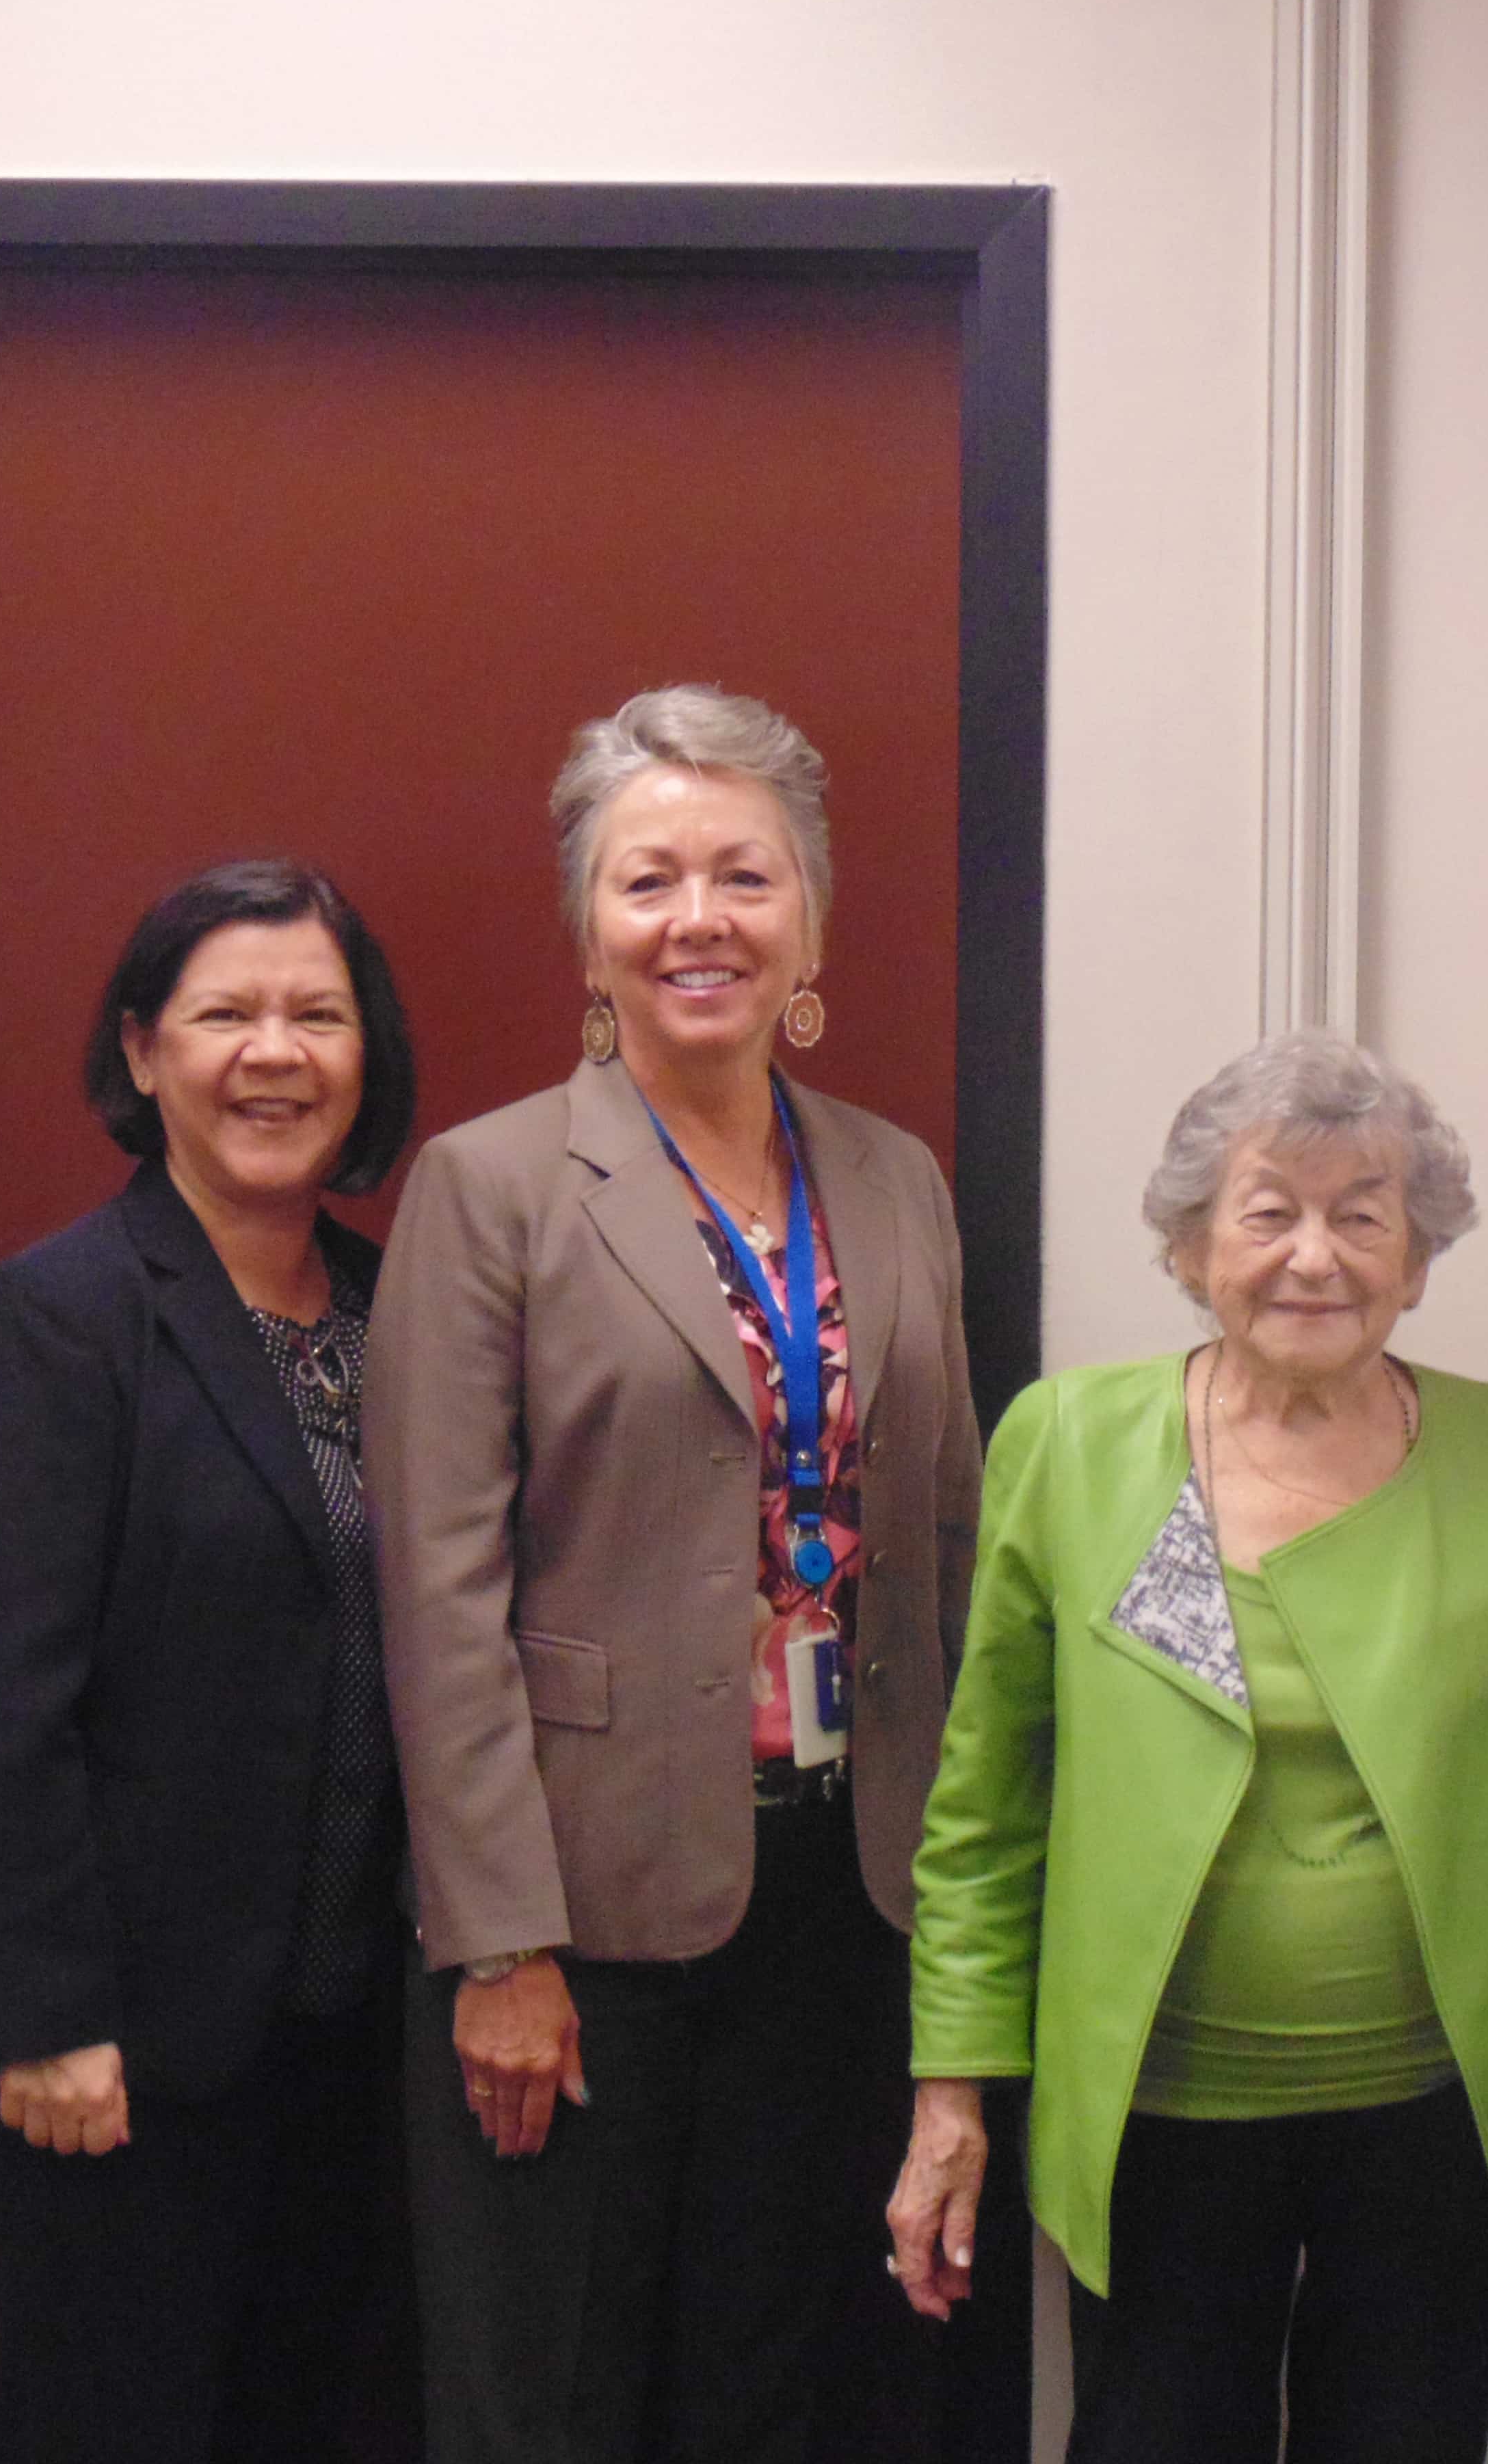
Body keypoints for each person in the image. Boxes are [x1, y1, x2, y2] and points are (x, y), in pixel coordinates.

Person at [367, 684, 979, 2463]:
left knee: (774, 2393)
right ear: (590, 926)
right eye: (649, 882)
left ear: (810, 920)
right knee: (547, 2401)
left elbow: (933, 1538)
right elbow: (442, 1598)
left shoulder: (894, 1176)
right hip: (579, 1921)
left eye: (743, 876)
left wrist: (952, 1907)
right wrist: (498, 1945)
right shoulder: (490, 1189)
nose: (697, 919)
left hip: (839, 1900)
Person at [891, 1032, 1488, 2464]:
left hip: (1433, 2117)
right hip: (1160, 2117)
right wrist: (949, 2095)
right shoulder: (1073, 1444)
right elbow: (987, 1805)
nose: (1316, 1257)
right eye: (1268, 1211)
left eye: (1364, 1216)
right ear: (1187, 1247)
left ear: (1417, 1263)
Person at [0, 859, 419, 2463]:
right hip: (124, 2048)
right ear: (144, 1054)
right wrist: (45, 2019)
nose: (274, 1052)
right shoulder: (54, 1320)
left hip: (355, 2031)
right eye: (226, 1014)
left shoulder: (402, 1312)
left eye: (317, 1016)